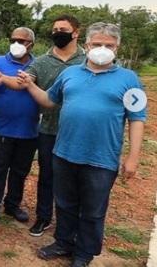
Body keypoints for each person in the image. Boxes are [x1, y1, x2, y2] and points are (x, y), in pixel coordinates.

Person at [18, 22, 146, 267]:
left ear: (117, 48)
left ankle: (84, 253)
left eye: (108, 45)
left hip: (102, 158)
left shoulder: (129, 79)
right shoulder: (70, 74)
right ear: (86, 45)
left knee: (93, 210)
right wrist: (30, 85)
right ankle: (63, 242)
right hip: (64, 152)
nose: (102, 49)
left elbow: (137, 119)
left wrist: (133, 158)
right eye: (97, 44)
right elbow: (48, 100)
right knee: (65, 203)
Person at [0, 15, 86, 236]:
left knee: (77, 179)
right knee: (47, 175)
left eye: (63, 29)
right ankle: (44, 218)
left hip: (78, 130)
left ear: (76, 32)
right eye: (54, 29)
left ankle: (73, 225)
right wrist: (4, 78)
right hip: (49, 129)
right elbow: (22, 82)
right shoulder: (41, 62)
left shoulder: (87, 60)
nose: (57, 33)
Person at [0, 27, 39, 226]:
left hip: (29, 129)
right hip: (2, 128)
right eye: (13, 39)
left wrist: (3, 78)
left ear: (31, 44)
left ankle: (12, 205)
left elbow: (28, 83)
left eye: (22, 41)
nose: (17, 44)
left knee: (20, 171)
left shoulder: (38, 64)